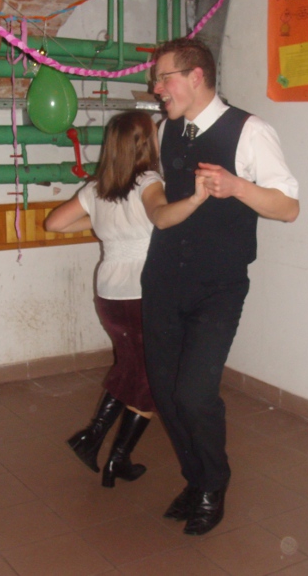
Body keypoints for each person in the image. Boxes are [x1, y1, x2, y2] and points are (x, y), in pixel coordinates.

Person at [141, 38, 300, 535]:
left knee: (194, 394)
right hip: (163, 279)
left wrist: (237, 187)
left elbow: (289, 207)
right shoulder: (165, 128)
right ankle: (194, 480)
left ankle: (213, 484)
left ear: (196, 76)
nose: (157, 88)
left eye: (164, 77)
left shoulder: (250, 131)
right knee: (166, 393)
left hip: (218, 286)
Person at [44, 110, 208, 488]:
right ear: (145, 143)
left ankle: (98, 442)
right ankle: (110, 452)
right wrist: (197, 200)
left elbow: (55, 223)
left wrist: (106, 224)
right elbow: (162, 216)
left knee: (132, 368)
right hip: (143, 292)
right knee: (150, 378)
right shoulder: (148, 181)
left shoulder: (98, 187)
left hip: (109, 293)